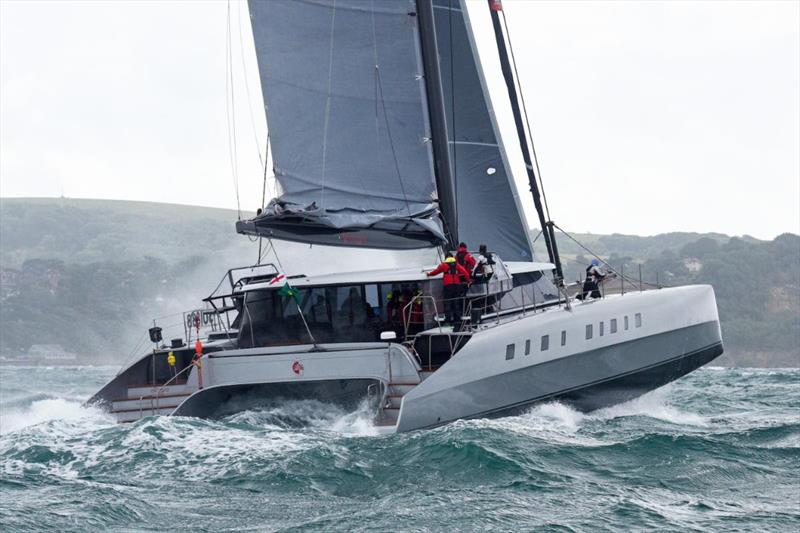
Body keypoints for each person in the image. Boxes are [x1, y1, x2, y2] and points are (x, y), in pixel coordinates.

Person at [427, 253, 471, 325]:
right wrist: (468, 281)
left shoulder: (444, 265)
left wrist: (428, 274)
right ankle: (457, 320)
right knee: (456, 302)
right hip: (457, 286)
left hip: (448, 286)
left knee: (448, 303)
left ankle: (448, 320)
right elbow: (465, 273)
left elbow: (436, 272)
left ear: (446, 258)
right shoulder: (457, 265)